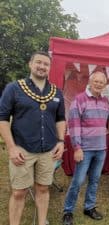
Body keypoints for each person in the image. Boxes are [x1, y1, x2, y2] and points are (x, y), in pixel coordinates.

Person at [0, 51, 66, 225]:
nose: (42, 66)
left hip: (49, 150)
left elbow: (60, 119)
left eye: (46, 64)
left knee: (43, 188)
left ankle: (42, 221)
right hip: (22, 148)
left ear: (50, 68)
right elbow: (2, 119)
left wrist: (61, 142)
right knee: (18, 192)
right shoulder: (14, 88)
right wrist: (12, 147)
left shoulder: (56, 92)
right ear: (30, 64)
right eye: (38, 62)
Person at [62, 71, 109, 225]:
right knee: (78, 181)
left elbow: (106, 121)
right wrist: (77, 148)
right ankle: (68, 211)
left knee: (95, 180)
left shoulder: (105, 101)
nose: (98, 84)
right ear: (90, 82)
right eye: (96, 81)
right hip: (84, 149)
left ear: (105, 85)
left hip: (101, 148)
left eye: (101, 82)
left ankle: (89, 207)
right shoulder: (79, 99)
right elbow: (73, 124)